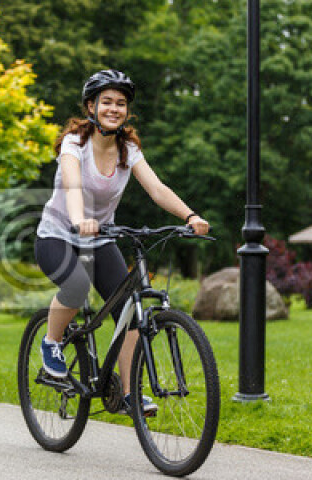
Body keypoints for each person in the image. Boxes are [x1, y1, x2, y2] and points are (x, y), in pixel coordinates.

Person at [35, 69, 209, 414]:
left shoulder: (128, 148)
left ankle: (128, 392)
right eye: (107, 102)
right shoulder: (75, 143)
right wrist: (78, 219)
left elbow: (157, 188)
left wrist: (190, 216)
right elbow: (71, 184)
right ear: (91, 106)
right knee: (76, 284)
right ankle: (50, 343)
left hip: (101, 238)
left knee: (130, 311)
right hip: (57, 234)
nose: (114, 108)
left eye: (121, 103)